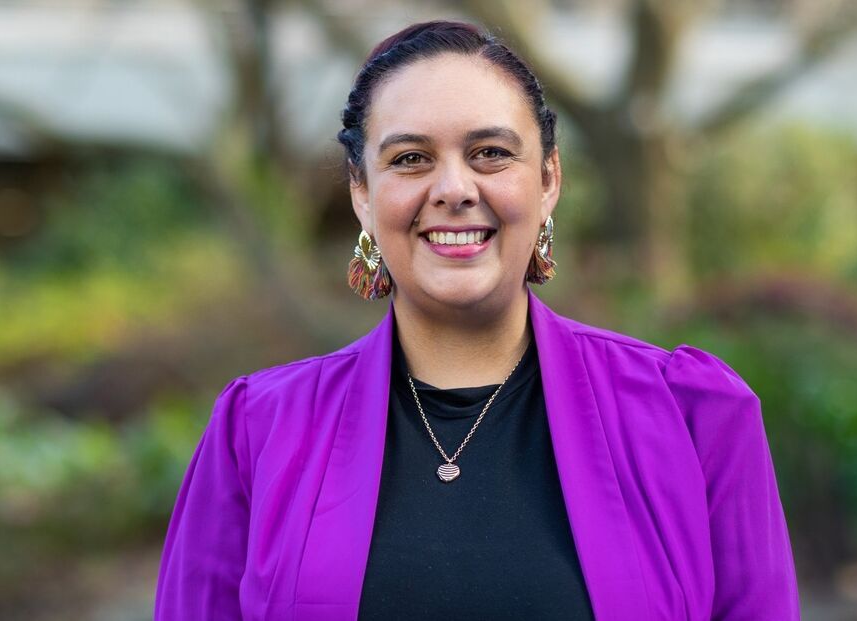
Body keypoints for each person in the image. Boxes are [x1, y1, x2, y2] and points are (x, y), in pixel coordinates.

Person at [154, 20, 799, 621]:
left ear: (549, 180)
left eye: (491, 152)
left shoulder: (691, 413)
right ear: (361, 193)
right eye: (410, 158)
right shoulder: (259, 429)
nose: (455, 188)